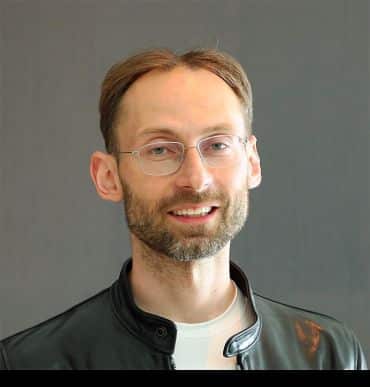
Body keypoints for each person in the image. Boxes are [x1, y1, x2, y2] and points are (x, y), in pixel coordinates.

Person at [0, 48, 367, 370]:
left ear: (252, 162)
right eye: (160, 149)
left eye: (218, 145)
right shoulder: (28, 362)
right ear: (108, 177)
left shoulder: (329, 355)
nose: (195, 179)